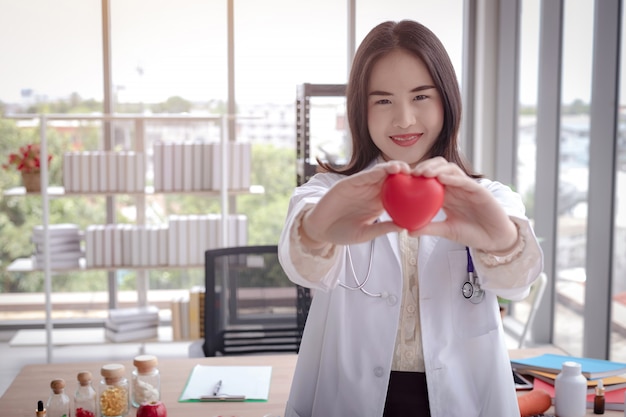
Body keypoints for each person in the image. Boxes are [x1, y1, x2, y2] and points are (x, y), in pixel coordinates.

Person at [278, 19, 543, 417]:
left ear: (447, 100)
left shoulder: (489, 198)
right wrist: (319, 228)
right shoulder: (328, 193)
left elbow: (518, 281)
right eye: (383, 100)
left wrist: (501, 239)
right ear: (360, 110)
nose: (403, 119)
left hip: (461, 399)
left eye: (421, 96)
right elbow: (301, 265)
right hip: (350, 399)